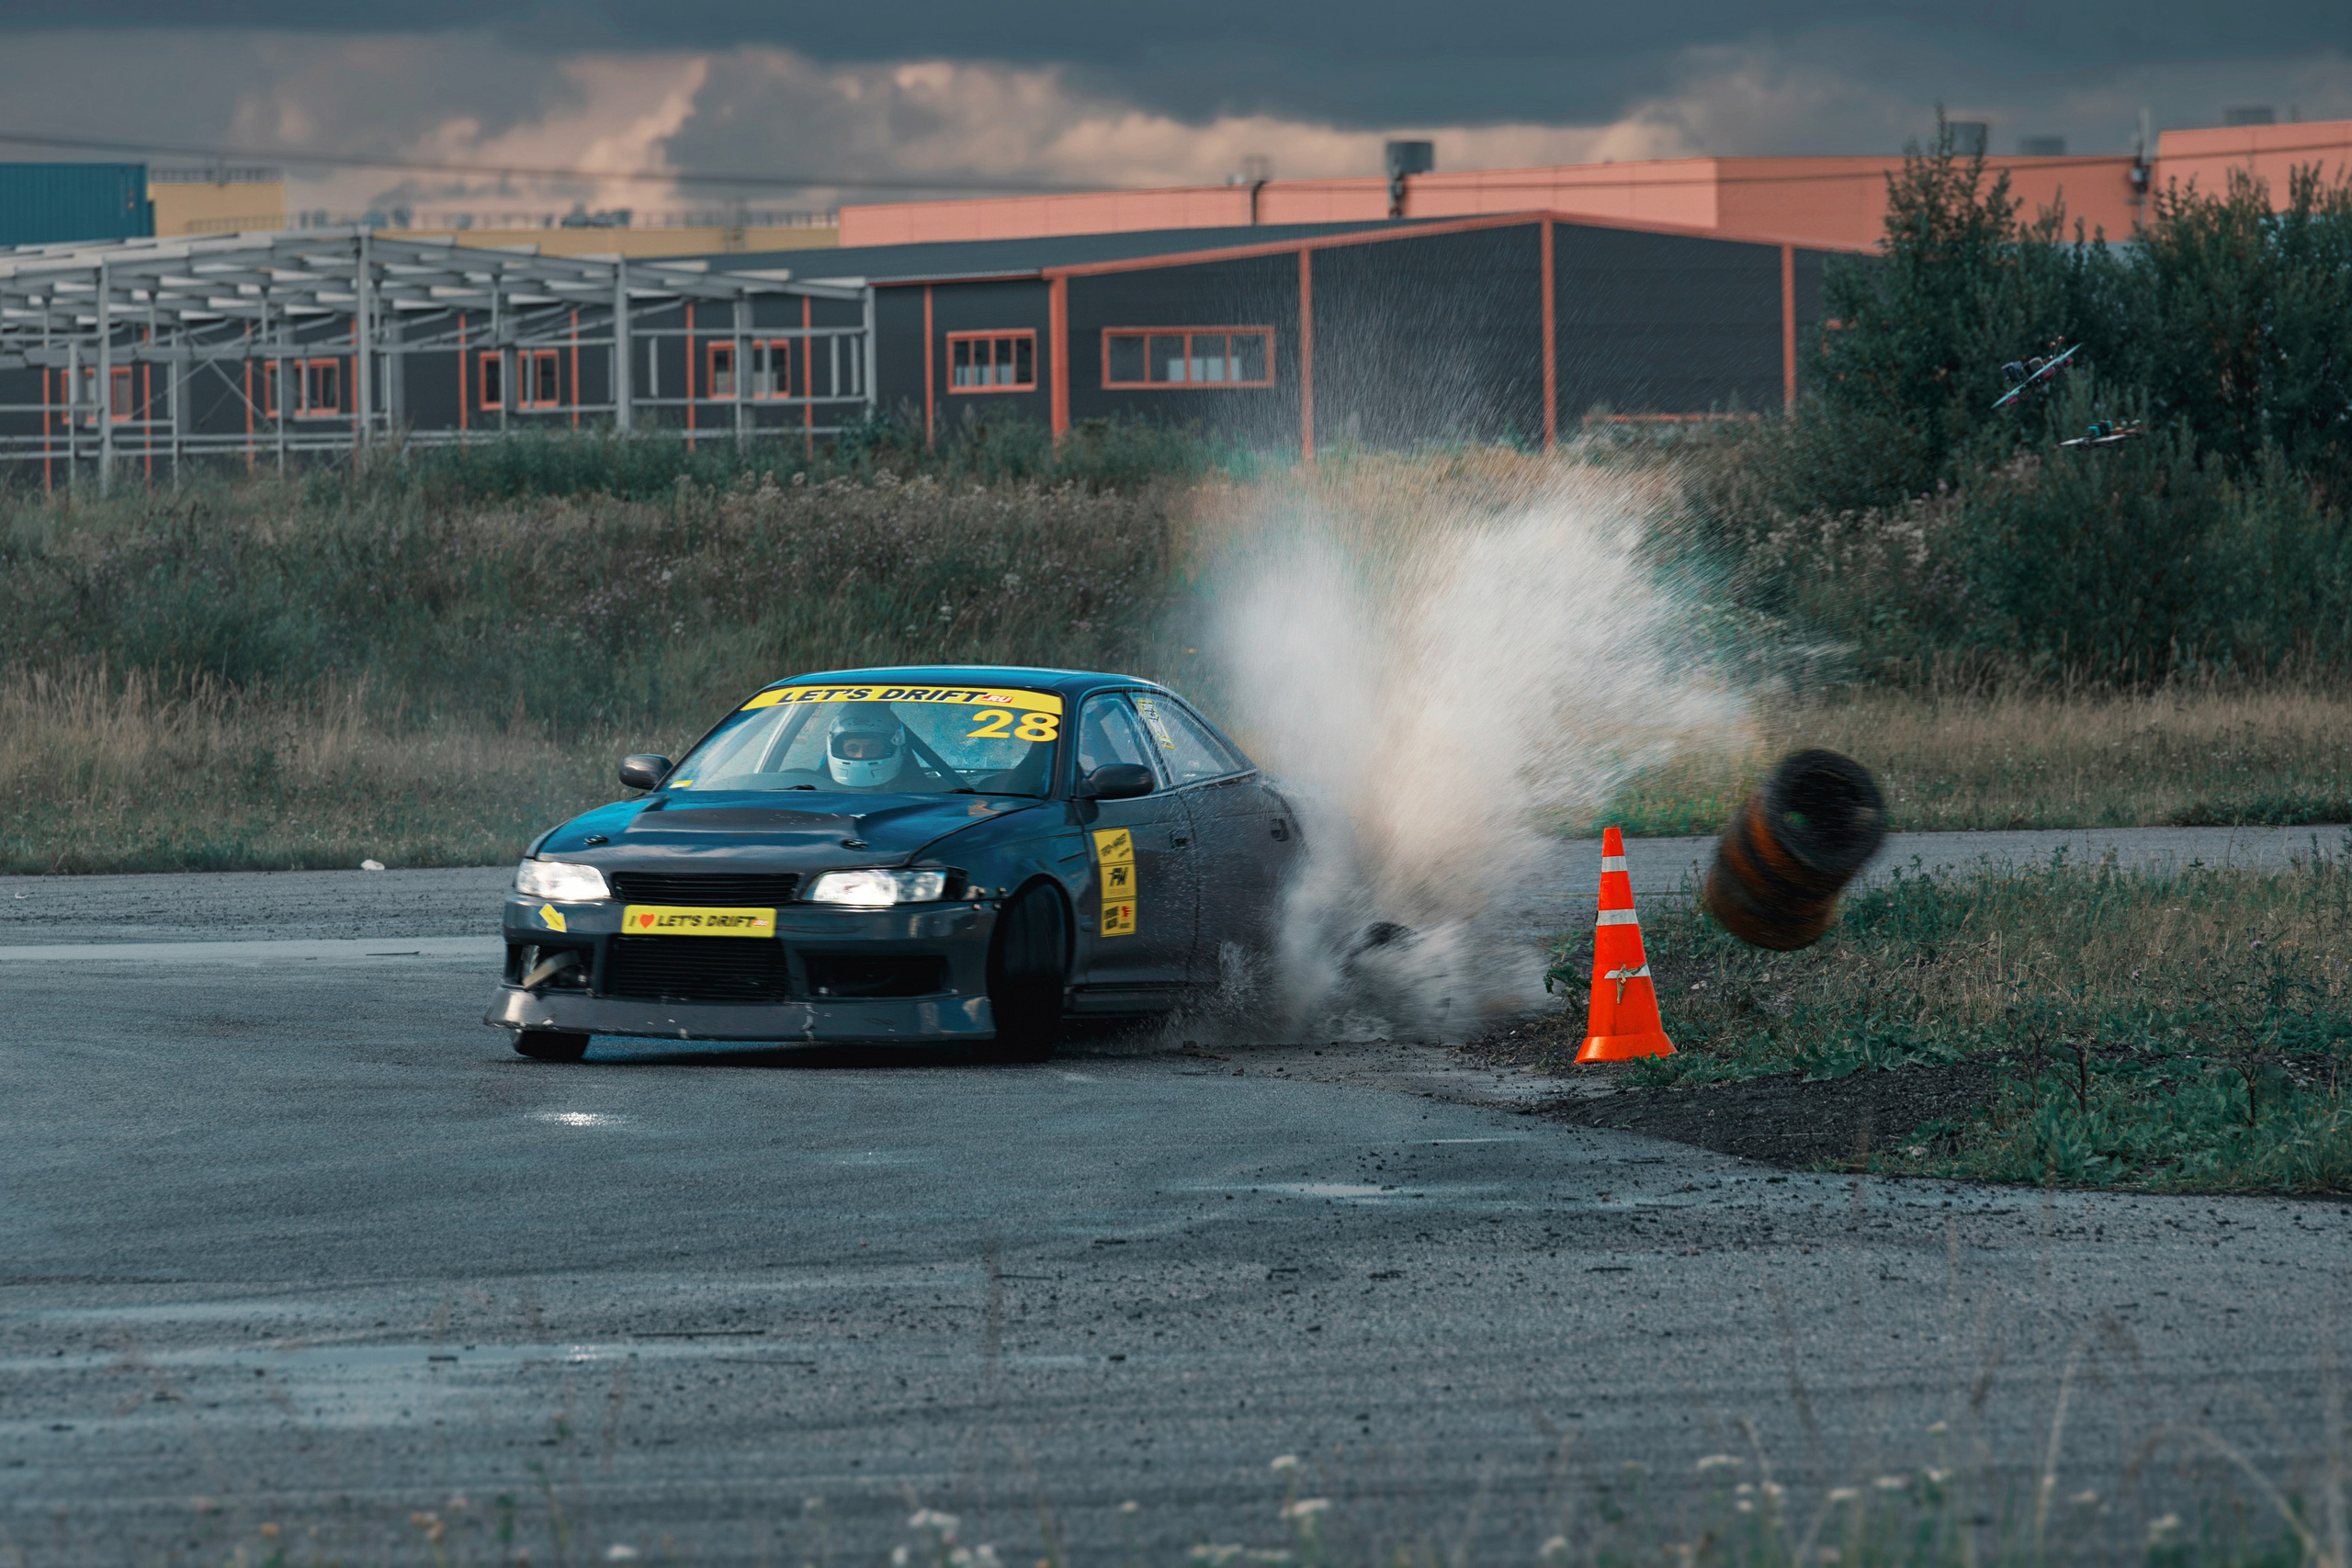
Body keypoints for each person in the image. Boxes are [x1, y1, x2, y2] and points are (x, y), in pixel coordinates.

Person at [823, 703, 911, 790]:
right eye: (853, 749)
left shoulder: (917, 790)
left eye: (872, 749)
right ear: (840, 750)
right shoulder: (817, 786)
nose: (861, 755)